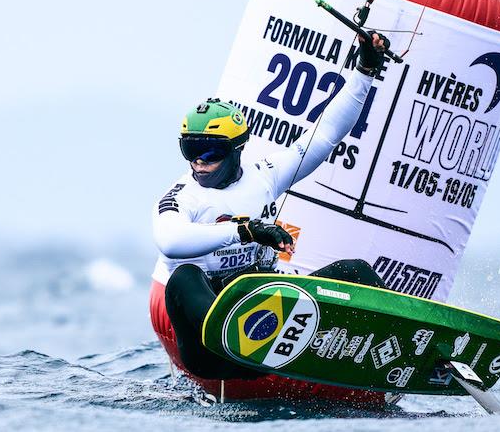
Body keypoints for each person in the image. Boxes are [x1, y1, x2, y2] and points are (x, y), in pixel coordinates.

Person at [151, 33, 390, 381]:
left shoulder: (265, 176)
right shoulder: (183, 196)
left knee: (357, 272)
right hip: (210, 346)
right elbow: (169, 242)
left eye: (211, 153)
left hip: (266, 315)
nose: (199, 163)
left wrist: (365, 70)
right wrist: (246, 230)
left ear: (237, 150)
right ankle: (242, 344)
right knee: (184, 278)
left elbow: (326, 137)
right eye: (191, 151)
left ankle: (398, 350)